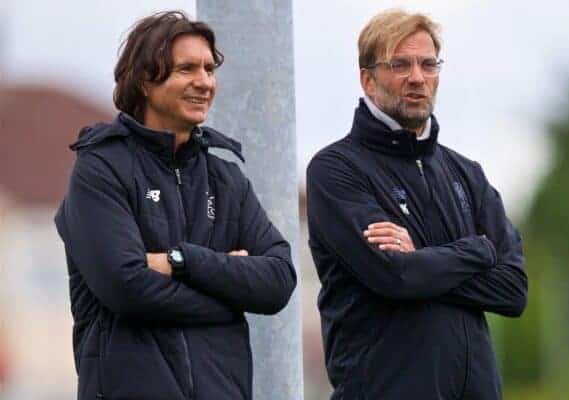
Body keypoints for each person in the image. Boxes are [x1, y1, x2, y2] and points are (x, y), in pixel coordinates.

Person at [54, 11, 296, 400]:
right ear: (146, 80)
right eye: (187, 69)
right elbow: (125, 286)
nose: (204, 82)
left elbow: (279, 279)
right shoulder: (100, 168)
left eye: (208, 69)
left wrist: (181, 261)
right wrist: (229, 296)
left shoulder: (226, 178)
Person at [306, 8, 527, 400]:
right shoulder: (335, 170)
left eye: (428, 64)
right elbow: (396, 276)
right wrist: (478, 250)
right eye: (400, 64)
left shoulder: (467, 173)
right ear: (367, 80)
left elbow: (513, 290)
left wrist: (423, 259)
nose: (417, 78)